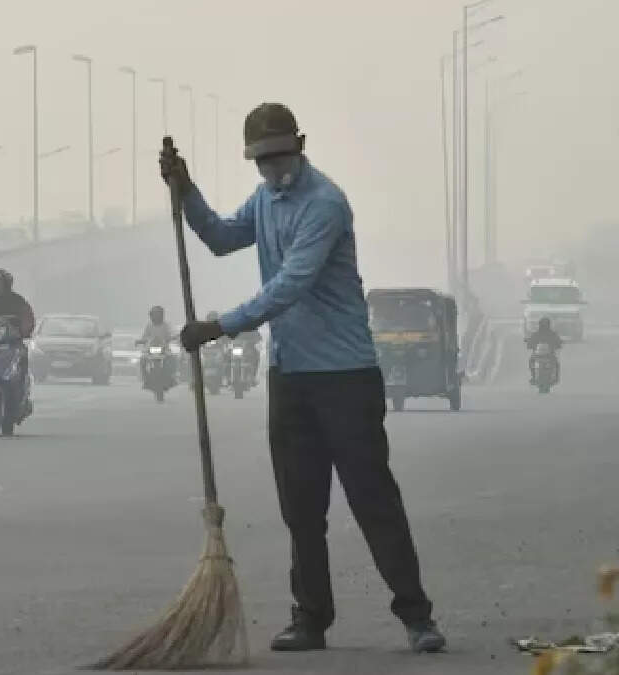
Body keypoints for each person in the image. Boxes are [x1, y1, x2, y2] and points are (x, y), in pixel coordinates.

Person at [163, 103, 445, 654]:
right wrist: (186, 190)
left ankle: (416, 616)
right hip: (290, 374)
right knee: (302, 507)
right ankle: (311, 619)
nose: (271, 171)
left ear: (301, 144)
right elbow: (221, 237)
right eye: (261, 162)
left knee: (372, 499)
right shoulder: (266, 199)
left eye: (278, 158)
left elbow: (290, 284)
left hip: (344, 377)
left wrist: (219, 326)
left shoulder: (325, 204)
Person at [139, 305, 177, 385]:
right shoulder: (149, 326)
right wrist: (140, 341)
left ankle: (172, 376)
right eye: (154, 315)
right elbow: (144, 336)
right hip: (151, 349)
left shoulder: (166, 325)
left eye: (158, 315)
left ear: (162, 315)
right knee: (142, 360)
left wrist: (172, 337)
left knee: (173, 359)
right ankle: (145, 377)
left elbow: (172, 333)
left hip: (164, 349)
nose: (156, 317)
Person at [525, 317, 562, 384]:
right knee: (531, 361)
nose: (544, 326)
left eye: (545, 324)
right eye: (543, 324)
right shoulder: (536, 334)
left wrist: (558, 344)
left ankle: (555, 377)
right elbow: (530, 342)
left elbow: (558, 342)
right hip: (537, 354)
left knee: (556, 363)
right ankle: (533, 376)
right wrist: (529, 343)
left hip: (550, 354)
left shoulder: (552, 334)